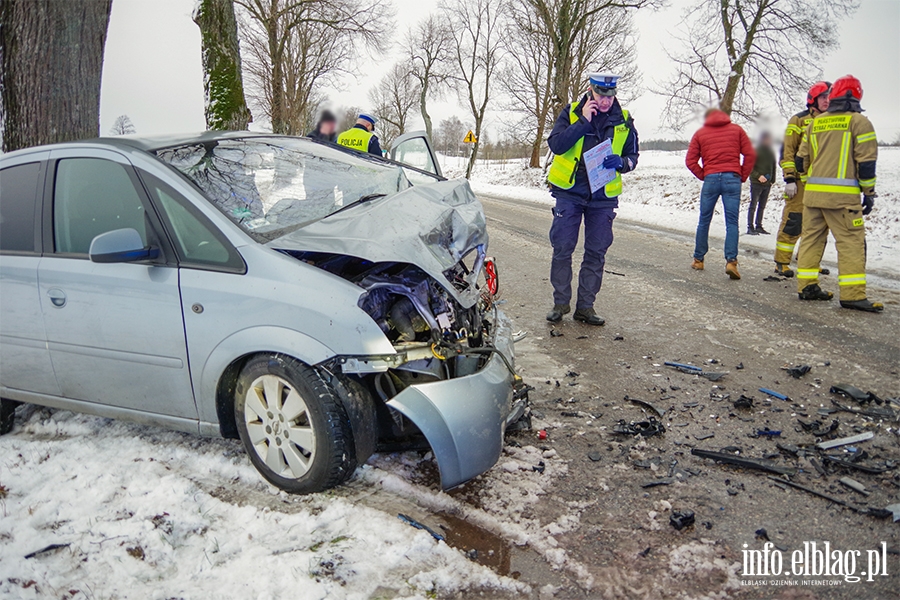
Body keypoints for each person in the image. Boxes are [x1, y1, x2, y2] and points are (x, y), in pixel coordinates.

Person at [544, 73, 639, 326]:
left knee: (596, 253)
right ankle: (560, 303)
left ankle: (585, 307)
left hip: (603, 198)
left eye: (610, 95)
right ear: (590, 91)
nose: (606, 101)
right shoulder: (572, 111)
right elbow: (557, 145)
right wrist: (583, 122)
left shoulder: (624, 120)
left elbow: (633, 156)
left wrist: (623, 163)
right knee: (563, 248)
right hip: (570, 192)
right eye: (600, 95)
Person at [794, 75, 881, 312]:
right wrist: (868, 192)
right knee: (851, 242)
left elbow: (801, 160)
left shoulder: (816, 122)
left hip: (813, 197)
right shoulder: (859, 122)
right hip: (842, 200)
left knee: (811, 240)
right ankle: (853, 295)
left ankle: (807, 286)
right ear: (856, 96)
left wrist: (807, 184)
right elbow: (866, 163)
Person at [685, 108, 756, 279]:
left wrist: (704, 174)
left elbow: (690, 161)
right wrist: (742, 175)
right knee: (731, 222)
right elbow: (750, 154)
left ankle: (698, 259)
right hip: (732, 178)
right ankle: (731, 261)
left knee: (704, 220)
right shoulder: (737, 130)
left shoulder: (700, 133)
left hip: (711, 178)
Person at [773, 81, 831, 277]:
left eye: (830, 97)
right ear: (813, 100)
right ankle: (781, 262)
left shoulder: (833, 120)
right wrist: (789, 179)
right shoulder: (798, 120)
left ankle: (810, 261)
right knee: (794, 220)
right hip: (799, 182)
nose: (827, 101)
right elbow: (787, 151)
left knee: (819, 225)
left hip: (823, 183)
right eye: (823, 97)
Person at [747, 131, 775, 235]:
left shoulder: (771, 152)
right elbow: (749, 167)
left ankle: (759, 225)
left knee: (762, 206)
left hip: (767, 184)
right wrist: (758, 176)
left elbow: (773, 167)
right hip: (756, 183)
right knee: (753, 204)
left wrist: (772, 180)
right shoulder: (755, 151)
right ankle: (750, 226)